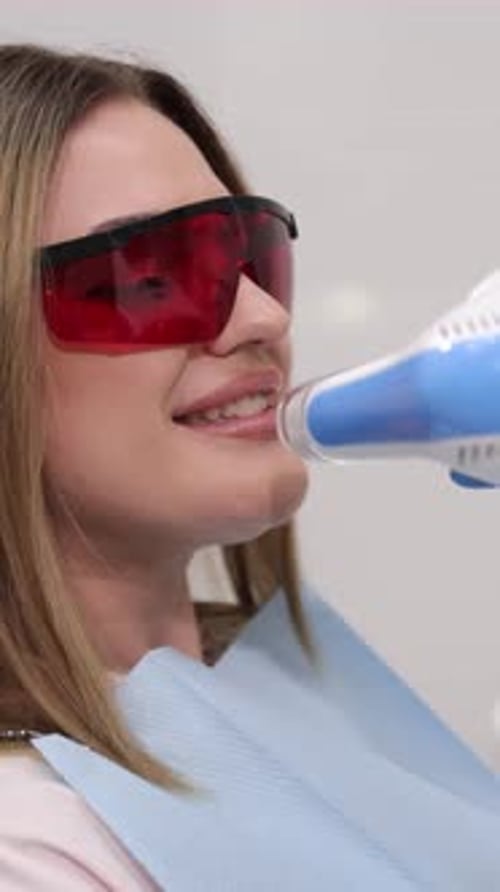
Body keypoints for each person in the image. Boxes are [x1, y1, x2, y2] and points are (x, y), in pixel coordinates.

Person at [0, 42, 499, 892]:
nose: (261, 316)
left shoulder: (284, 685)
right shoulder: (32, 849)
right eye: (154, 277)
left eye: (252, 253)